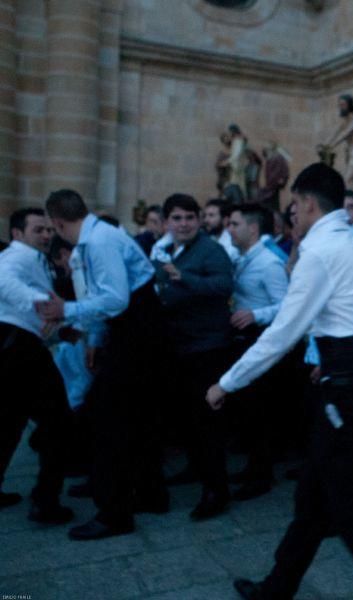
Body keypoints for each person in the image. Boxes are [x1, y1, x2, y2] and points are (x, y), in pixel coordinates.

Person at [205, 163, 353, 600]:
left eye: (294, 207)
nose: (292, 216)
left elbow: (283, 333)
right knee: (312, 499)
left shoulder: (320, 253)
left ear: (306, 203)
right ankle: (276, 589)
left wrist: (226, 383)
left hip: (345, 389)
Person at [37, 189, 169, 541]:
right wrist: (95, 338)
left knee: (109, 424)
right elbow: (105, 296)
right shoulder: (95, 238)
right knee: (132, 422)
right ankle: (148, 494)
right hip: (134, 335)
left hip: (139, 339)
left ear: (58, 221)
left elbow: (114, 298)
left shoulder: (98, 243)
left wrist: (66, 310)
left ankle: (114, 513)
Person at [153, 194, 235, 520]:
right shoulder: (171, 250)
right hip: (181, 346)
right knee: (188, 418)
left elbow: (223, 286)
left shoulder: (211, 250)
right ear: (166, 223)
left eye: (189, 217)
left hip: (207, 347)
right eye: (177, 218)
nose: (183, 224)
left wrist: (181, 277)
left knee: (208, 423)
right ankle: (195, 469)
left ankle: (216, 490)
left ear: (199, 220)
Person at [0, 208, 75, 524]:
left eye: (48, 229)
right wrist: (44, 307)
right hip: (19, 347)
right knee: (59, 422)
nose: (46, 235)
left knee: (9, 423)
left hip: (16, 344)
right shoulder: (16, 257)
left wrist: (66, 328)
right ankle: (46, 501)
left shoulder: (33, 260)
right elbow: (3, 281)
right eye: (38, 230)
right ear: (18, 234)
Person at [227, 203, 289, 500]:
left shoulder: (269, 263)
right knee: (248, 411)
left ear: (253, 228)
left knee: (260, 411)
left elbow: (287, 307)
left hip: (261, 339)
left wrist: (256, 315)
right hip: (244, 338)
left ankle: (261, 474)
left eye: (235, 223)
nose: (229, 228)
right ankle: (253, 467)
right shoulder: (243, 258)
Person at [319, 94, 353, 194]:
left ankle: (349, 204)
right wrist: (326, 143)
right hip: (350, 154)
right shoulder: (346, 120)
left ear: (349, 104)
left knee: (347, 180)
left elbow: (348, 131)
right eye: (340, 105)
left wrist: (333, 145)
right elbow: (336, 131)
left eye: (343, 105)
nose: (341, 107)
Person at [219, 124, 248, 204]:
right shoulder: (236, 140)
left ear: (233, 131)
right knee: (235, 184)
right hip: (235, 167)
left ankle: (238, 201)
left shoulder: (238, 141)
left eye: (230, 132)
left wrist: (226, 162)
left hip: (237, 168)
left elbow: (236, 155)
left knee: (237, 185)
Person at [258, 142, 290, 212]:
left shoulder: (278, 158)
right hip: (271, 183)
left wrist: (281, 180)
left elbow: (284, 171)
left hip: (274, 184)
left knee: (271, 200)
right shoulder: (270, 158)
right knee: (272, 201)